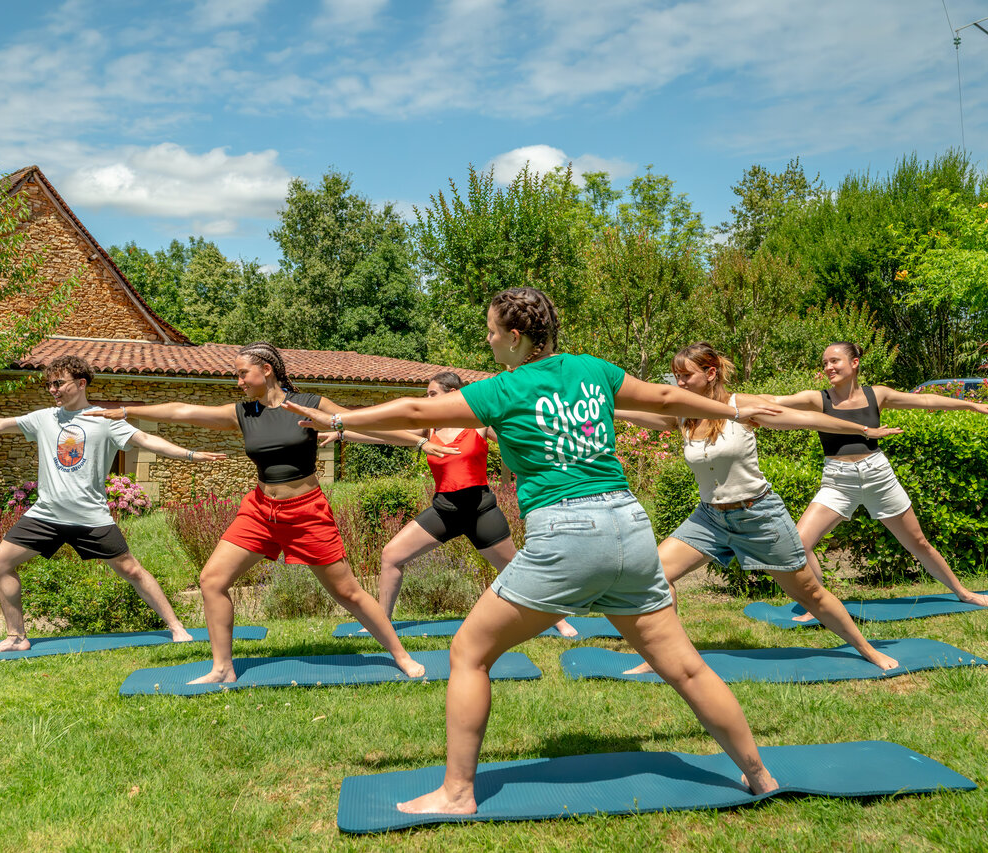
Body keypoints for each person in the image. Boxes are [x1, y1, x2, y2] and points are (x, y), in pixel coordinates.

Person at [285, 288, 782, 815]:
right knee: (685, 668)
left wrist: (338, 421)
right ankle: (760, 775)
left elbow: (413, 408)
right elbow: (663, 400)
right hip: (629, 525)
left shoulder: (503, 388)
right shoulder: (593, 369)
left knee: (468, 654)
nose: (488, 338)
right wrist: (732, 411)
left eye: (492, 330)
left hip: (568, 532)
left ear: (516, 337)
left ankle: (456, 794)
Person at [86, 342, 450, 683]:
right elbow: (184, 412)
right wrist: (127, 411)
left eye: (243, 374)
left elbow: (360, 421)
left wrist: (419, 441)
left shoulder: (308, 403)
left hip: (307, 511)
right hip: (260, 510)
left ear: (267, 370)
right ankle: (222, 668)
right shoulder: (243, 413)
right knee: (212, 580)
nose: (239, 381)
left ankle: (399, 655)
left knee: (348, 593)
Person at [616, 343, 902, 674]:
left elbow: (805, 418)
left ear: (710, 374)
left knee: (810, 594)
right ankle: (665, 658)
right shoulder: (684, 414)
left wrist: (863, 429)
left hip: (758, 516)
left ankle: (867, 650)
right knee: (656, 576)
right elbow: (641, 415)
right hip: (709, 518)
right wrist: (604, 408)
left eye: (686, 376)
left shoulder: (741, 406)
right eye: (676, 377)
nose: (679, 384)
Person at [0, 355, 226, 653]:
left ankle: (176, 627)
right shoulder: (43, 418)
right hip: (46, 514)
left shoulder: (104, 419)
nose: (53, 390)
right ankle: (16, 636)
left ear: (81, 383)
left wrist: (191, 454)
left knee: (131, 570)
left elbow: (146, 441)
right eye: (49, 384)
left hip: (90, 516)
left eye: (59, 383)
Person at [334, 371, 579, 638]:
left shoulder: (479, 423)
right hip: (444, 512)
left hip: (480, 512)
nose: (427, 400)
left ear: (451, 395)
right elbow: (385, 435)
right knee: (391, 556)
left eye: (432, 394)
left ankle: (559, 619)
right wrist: (342, 435)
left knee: (517, 569)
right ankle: (382, 622)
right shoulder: (428, 428)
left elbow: (518, 442)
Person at [771, 342, 988, 621]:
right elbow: (773, 401)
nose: (828, 367)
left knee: (918, 543)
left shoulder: (876, 394)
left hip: (878, 476)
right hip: (838, 481)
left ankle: (963, 593)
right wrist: (724, 402)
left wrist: (970, 405)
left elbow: (925, 400)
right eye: (825, 363)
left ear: (854, 362)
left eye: (835, 361)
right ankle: (817, 603)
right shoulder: (818, 399)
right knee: (799, 544)